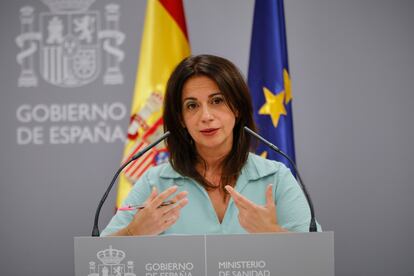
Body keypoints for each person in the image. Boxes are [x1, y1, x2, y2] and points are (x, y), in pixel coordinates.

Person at [101, 54, 319, 236]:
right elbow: (98, 258)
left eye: (217, 101)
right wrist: (133, 233)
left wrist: (272, 232)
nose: (206, 116)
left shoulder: (275, 177)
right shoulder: (155, 182)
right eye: (192, 105)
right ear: (181, 119)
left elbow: (317, 257)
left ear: (237, 108)